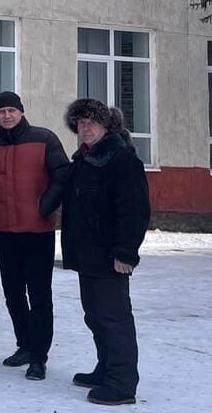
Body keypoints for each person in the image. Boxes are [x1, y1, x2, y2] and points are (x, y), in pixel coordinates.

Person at [48, 99, 150, 406]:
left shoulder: (121, 159)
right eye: (80, 124)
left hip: (110, 257)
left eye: (92, 122)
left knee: (113, 317)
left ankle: (122, 383)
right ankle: (105, 368)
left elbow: (134, 210)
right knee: (94, 315)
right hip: (88, 255)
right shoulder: (83, 159)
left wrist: (126, 252)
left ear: (107, 126)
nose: (85, 128)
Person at [0, 91, 70, 381]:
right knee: (13, 294)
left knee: (40, 296)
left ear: (21, 112)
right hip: (4, 232)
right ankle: (24, 346)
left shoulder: (44, 139)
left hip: (38, 232)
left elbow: (63, 176)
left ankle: (39, 357)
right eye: (1, 111)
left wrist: (46, 207)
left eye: (11, 110)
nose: (7, 116)